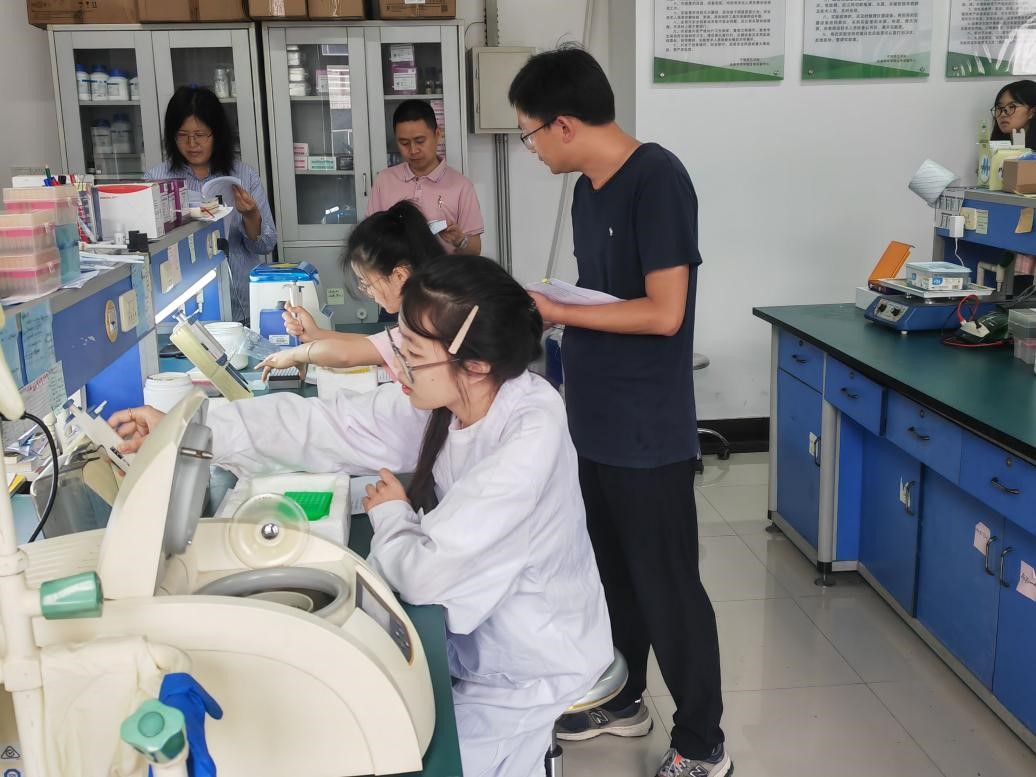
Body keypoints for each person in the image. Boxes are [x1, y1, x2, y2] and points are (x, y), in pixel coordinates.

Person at [109, 254, 613, 777]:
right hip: (482, 643)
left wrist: (393, 515)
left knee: (400, 755)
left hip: (532, 664)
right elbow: (329, 425)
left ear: (477, 363)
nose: (397, 368)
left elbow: (426, 575)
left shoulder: (529, 432)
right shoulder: (452, 399)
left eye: (411, 354)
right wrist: (189, 430)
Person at [509, 48, 731, 777]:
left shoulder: (657, 179)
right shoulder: (587, 190)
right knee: (612, 573)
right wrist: (555, 307)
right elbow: (604, 299)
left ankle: (703, 743)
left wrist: (558, 309)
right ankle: (625, 696)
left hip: (646, 427)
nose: (533, 148)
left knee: (667, 586)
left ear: (564, 124)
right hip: (595, 417)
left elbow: (664, 313)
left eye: (530, 134)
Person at [256, 200, 442, 381]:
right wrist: (316, 334)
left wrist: (295, 354)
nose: (368, 293)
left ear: (399, 276)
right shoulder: (425, 308)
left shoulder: (428, 322)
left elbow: (347, 355)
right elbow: (377, 344)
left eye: (367, 283)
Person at [146, 86, 277, 322]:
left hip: (240, 305)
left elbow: (266, 245)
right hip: (179, 310)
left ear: (217, 134)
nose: (192, 144)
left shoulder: (244, 176)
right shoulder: (156, 180)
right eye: (182, 135)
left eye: (200, 135)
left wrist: (251, 216)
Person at [367, 99, 483, 256]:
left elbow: (475, 249)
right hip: (395, 270)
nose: (413, 150)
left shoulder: (461, 186)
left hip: (441, 270)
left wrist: (459, 240)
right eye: (404, 143)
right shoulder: (384, 180)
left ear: (438, 135)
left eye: (420, 141)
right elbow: (369, 238)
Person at [990, 80, 1036, 149]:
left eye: (1012, 107)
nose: (1002, 114)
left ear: (1032, 112)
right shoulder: (993, 150)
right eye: (999, 108)